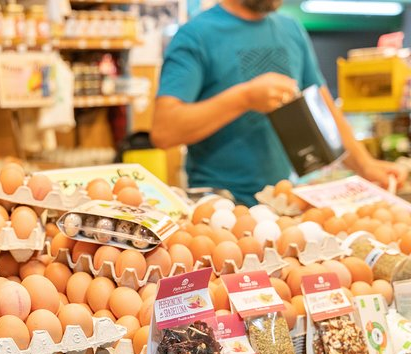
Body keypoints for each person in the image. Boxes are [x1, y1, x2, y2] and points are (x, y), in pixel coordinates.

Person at [151, 0, 408, 206]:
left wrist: (365, 165)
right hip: (218, 204)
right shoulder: (195, 35)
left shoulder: (291, 29)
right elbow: (164, 131)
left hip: (282, 199)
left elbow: (323, 109)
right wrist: (245, 97)